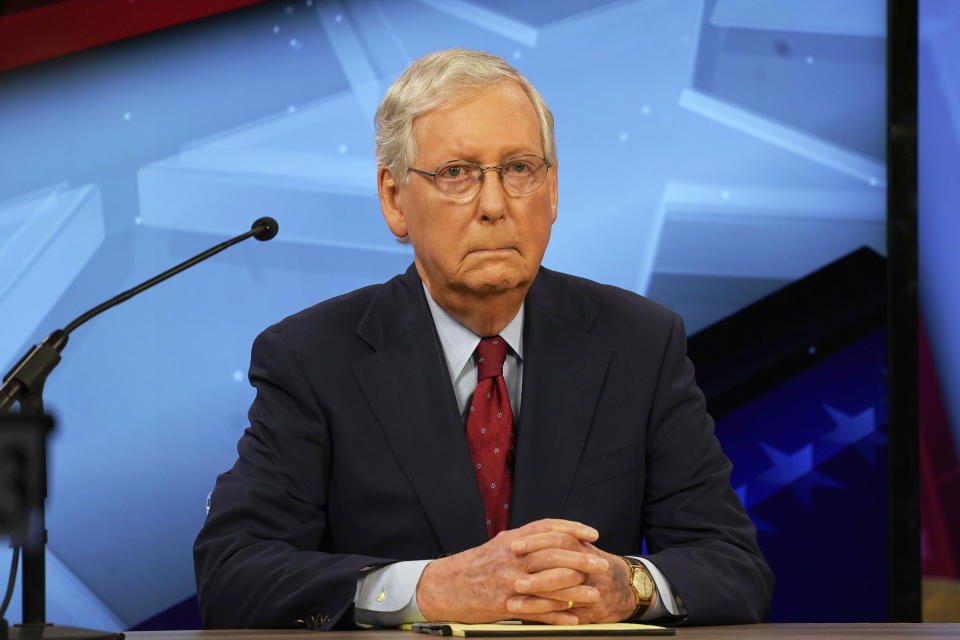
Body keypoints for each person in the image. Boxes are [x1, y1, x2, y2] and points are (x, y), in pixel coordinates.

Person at [193, 48, 774, 630]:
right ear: (395, 199)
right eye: (456, 174)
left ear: (551, 191)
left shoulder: (641, 342)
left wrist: (632, 587)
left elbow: (732, 565)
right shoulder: (312, 357)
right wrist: (426, 588)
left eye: (520, 168)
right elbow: (233, 571)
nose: (495, 206)